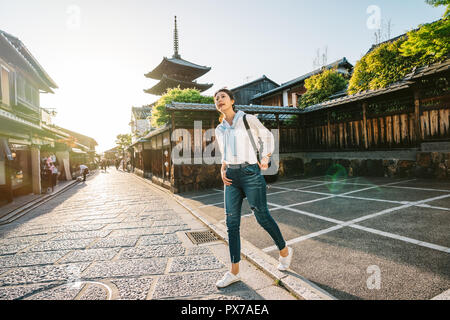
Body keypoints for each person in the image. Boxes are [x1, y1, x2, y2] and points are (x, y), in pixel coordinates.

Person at [214, 88, 293, 289]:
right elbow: (225, 153)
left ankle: (284, 250)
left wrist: (265, 158)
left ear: (232, 100)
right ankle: (234, 272)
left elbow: (267, 138)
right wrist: (223, 168)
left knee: (262, 216)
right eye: (216, 98)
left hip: (251, 174)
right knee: (231, 223)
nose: (219, 100)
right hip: (231, 177)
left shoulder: (247, 119)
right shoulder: (219, 129)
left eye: (222, 96)